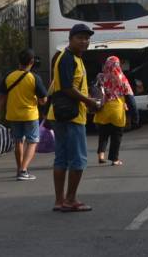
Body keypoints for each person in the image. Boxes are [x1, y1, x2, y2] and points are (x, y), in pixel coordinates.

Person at [48, 23, 100, 212]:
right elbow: (67, 88)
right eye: (80, 38)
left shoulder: (74, 58)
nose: (84, 41)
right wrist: (89, 101)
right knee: (78, 160)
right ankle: (69, 199)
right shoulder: (67, 59)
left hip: (61, 115)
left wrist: (88, 99)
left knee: (61, 159)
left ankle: (60, 200)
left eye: (87, 38)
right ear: (70, 39)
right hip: (70, 116)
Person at [0, 48, 48, 181]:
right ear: (32, 61)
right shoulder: (34, 78)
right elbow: (44, 100)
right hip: (30, 115)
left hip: (13, 115)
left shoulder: (9, 76)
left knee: (18, 141)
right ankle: (23, 170)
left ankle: (20, 169)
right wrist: (39, 101)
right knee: (33, 141)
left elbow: (1, 97)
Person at [93, 56, 134, 166]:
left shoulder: (100, 76)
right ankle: (114, 159)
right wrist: (135, 114)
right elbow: (130, 96)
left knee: (103, 134)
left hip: (103, 110)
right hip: (117, 110)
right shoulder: (122, 78)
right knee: (116, 136)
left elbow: (95, 90)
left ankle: (101, 155)